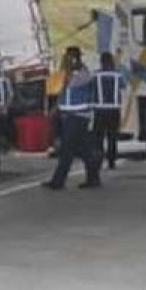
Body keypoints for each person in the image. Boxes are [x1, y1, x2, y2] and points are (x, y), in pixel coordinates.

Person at [44, 46, 102, 190]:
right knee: (82, 149)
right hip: (69, 116)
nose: (66, 61)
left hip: (79, 116)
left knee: (67, 150)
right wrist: (57, 109)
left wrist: (68, 68)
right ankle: (93, 176)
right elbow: (62, 91)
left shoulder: (84, 75)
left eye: (69, 58)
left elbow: (70, 83)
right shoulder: (71, 74)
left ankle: (58, 182)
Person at [92, 51, 125, 170]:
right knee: (112, 136)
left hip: (99, 110)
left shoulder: (96, 75)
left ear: (101, 62)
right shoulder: (117, 75)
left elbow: (92, 88)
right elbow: (123, 86)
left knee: (98, 138)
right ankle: (111, 161)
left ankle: (98, 161)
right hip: (114, 110)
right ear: (111, 61)